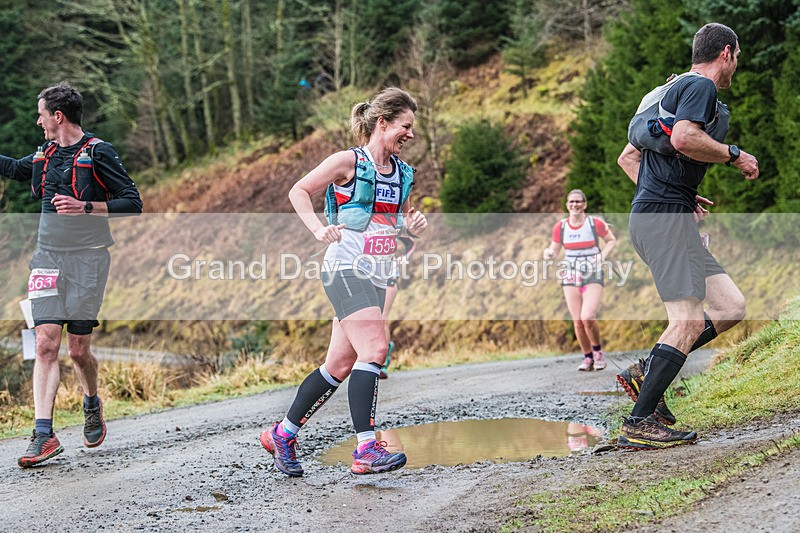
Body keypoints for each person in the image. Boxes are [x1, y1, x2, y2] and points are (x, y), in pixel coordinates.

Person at [260, 87, 427, 476]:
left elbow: (398, 227)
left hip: (376, 274)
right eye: (405, 126)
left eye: (412, 127)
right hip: (344, 268)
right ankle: (366, 448)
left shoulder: (403, 174)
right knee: (375, 349)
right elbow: (298, 191)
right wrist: (318, 229)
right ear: (382, 123)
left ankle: (282, 434)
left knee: (339, 364)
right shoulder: (347, 161)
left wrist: (413, 228)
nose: (411, 134)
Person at [616, 23, 759, 450]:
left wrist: (678, 193)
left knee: (730, 306)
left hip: (663, 213)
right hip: (663, 219)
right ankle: (639, 422)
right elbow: (683, 137)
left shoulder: (667, 93)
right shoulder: (700, 86)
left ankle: (646, 371)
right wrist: (735, 155)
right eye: (737, 57)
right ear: (727, 53)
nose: (735, 65)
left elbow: (628, 157)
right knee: (687, 321)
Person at [0, 82, 143, 467]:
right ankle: (43, 434)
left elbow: (133, 202)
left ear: (58, 116)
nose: (38, 121)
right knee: (46, 343)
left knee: (78, 350)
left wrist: (85, 207)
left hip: (88, 261)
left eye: (42, 114)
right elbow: (14, 169)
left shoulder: (98, 152)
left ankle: (91, 402)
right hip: (46, 258)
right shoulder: (45, 153)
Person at [543, 189, 616, 371]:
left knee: (587, 317)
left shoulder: (594, 223)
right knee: (577, 320)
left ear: (584, 204)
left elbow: (611, 240)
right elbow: (554, 251)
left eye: (578, 202)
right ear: (567, 205)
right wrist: (548, 253)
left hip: (592, 273)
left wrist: (602, 255)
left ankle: (597, 352)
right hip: (571, 273)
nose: (575, 205)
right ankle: (587, 357)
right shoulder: (560, 227)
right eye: (571, 202)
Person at [379, 235, 415, 379]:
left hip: (389, 278)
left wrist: (404, 258)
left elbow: (410, 243)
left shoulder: (390, 224)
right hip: (368, 277)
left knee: (381, 318)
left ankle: (382, 363)